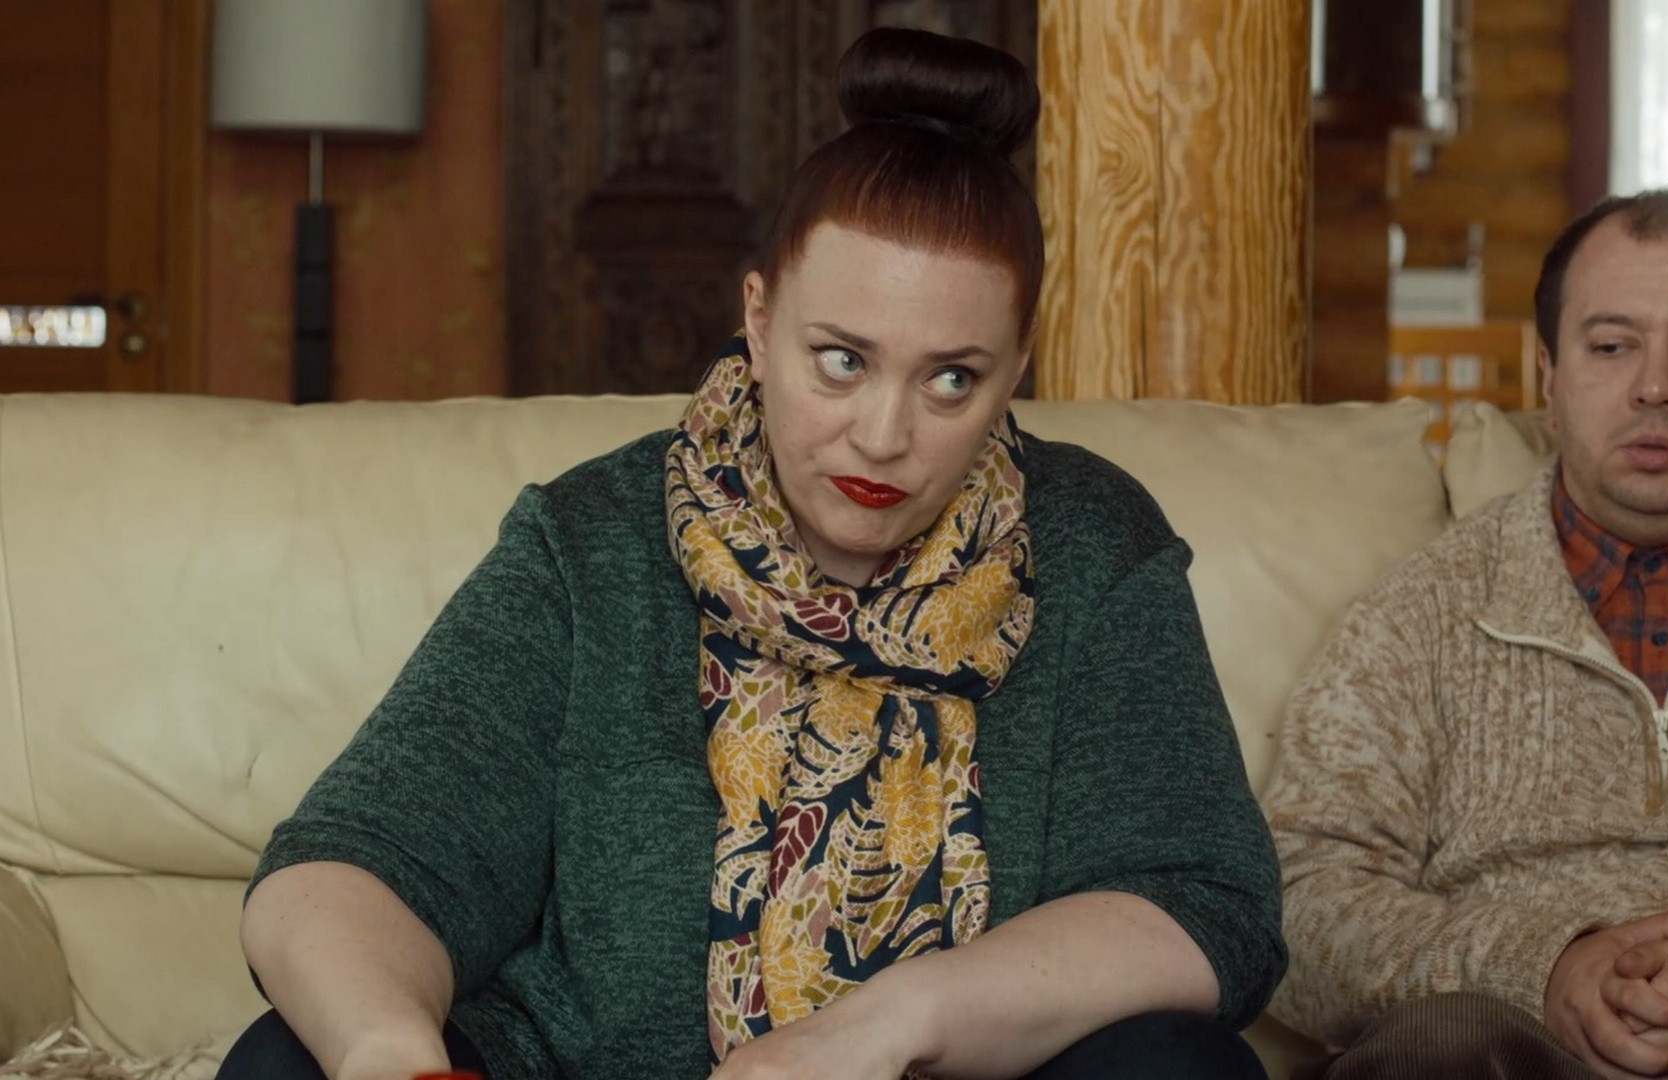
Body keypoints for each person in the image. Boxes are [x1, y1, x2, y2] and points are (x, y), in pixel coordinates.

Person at [218, 27, 1284, 1080]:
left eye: (951, 379)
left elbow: (1207, 908)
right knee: (287, 1062)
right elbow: (353, 862)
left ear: (1017, 367)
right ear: (760, 320)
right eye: (841, 360)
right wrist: (388, 1053)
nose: (883, 436)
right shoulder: (589, 539)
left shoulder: (1095, 542)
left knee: (1183, 1067)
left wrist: (881, 1026)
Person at [1266, 188, 1668, 1079]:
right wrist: (1541, 971)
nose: (1655, 387)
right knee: (1438, 1045)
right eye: (1611, 347)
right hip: (1505, 1046)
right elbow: (1296, 898)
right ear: (1550, 376)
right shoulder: (1414, 619)